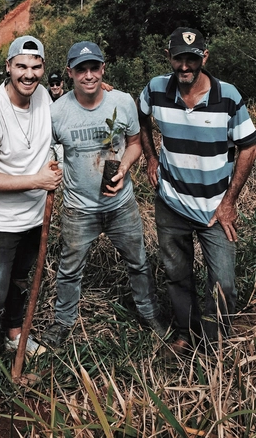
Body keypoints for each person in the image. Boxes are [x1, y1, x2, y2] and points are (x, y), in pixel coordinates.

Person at [138, 27, 256, 352]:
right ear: (169, 57)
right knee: (177, 274)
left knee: (224, 283)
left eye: (192, 58)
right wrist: (150, 159)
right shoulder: (156, 90)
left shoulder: (227, 96)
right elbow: (141, 117)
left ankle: (213, 347)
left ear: (204, 56)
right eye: (179, 58)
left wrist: (230, 201)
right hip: (171, 202)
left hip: (215, 209)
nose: (185, 66)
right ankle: (186, 334)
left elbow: (249, 146)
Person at [43, 41, 164, 349]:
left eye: (94, 68)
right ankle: (63, 322)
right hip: (78, 208)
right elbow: (47, 151)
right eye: (81, 69)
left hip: (120, 203)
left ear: (103, 69)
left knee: (138, 261)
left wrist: (123, 167)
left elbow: (135, 142)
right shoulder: (56, 112)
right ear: (69, 73)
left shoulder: (121, 102)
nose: (88, 75)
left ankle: (148, 313)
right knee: (70, 270)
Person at [0, 35, 62, 399]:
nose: (29, 74)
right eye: (21, 66)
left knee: (20, 283)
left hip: (35, 217)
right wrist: (36, 180)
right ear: (8, 67)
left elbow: (68, 103)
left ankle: (14, 335)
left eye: (36, 67)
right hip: (0, 223)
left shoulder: (42, 95)